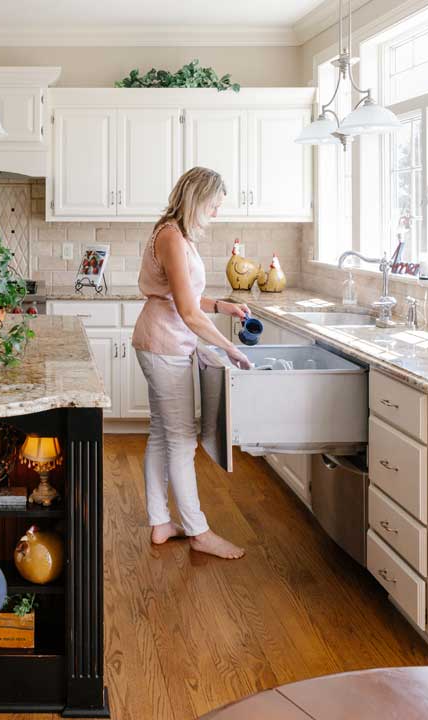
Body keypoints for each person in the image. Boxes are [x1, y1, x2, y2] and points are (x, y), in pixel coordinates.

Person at [131, 167, 252, 560]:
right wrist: (228, 347)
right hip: (164, 346)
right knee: (181, 439)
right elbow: (185, 310)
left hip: (161, 341)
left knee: (163, 434)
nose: (215, 214)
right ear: (198, 199)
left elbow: (186, 297)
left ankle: (161, 522)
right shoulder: (170, 237)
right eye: (214, 205)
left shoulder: (175, 233)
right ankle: (199, 531)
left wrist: (221, 305)